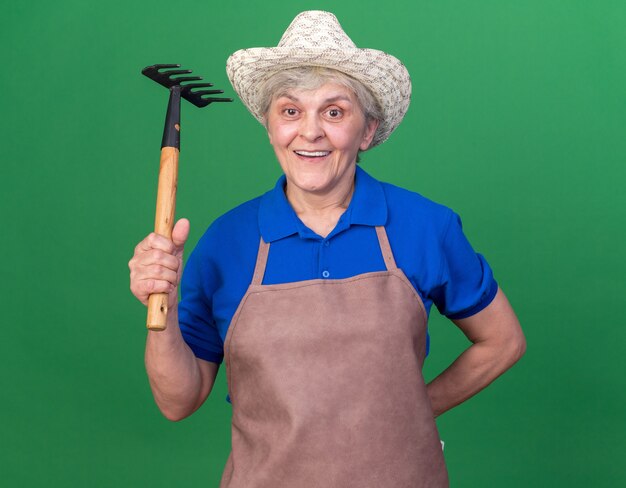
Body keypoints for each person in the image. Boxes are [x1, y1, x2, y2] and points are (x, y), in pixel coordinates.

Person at [129, 10, 526, 487]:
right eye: (290, 111)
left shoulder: (425, 226)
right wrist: (163, 312)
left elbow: (502, 341)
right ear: (271, 125)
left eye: (334, 112)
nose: (310, 132)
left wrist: (414, 411)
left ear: (367, 131)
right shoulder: (225, 242)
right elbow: (179, 401)